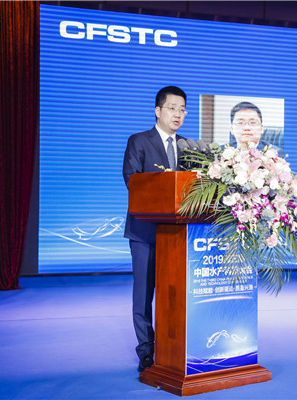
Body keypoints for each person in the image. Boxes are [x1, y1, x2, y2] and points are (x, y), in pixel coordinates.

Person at [122, 86, 188, 373]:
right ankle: (146, 350)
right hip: (145, 233)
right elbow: (132, 180)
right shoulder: (139, 141)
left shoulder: (187, 146)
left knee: (173, 294)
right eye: (172, 108)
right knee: (144, 294)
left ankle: (171, 347)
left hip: (177, 235)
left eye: (182, 109)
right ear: (158, 111)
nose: (178, 114)